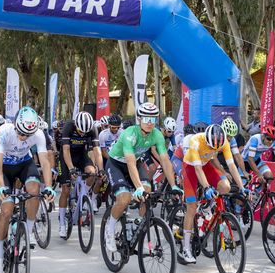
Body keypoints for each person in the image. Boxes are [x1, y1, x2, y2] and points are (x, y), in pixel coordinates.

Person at [104, 103, 182, 254]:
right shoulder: (129, 134)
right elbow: (131, 163)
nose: (149, 122)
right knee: (124, 198)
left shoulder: (157, 135)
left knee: (148, 193)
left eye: (153, 119)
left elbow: (165, 160)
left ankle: (140, 226)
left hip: (136, 163)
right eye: (146, 118)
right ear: (139, 119)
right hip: (117, 165)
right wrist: (137, 186)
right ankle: (110, 228)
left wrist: (173, 185)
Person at [0, 107, 56, 273]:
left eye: (27, 135)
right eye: (21, 133)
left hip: (24, 165)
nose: (23, 138)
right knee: (6, 210)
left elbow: (45, 161)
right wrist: (0, 187)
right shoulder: (3, 131)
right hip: (5, 168)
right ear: (15, 125)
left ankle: (28, 229)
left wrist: (48, 186)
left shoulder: (39, 134)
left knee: (34, 190)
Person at [179, 124, 246, 264]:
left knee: (225, 187)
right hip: (190, 167)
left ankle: (207, 207)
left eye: (216, 149)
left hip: (206, 165)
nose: (213, 150)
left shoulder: (224, 142)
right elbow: (197, 169)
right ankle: (185, 248)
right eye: (211, 147)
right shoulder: (196, 141)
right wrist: (207, 187)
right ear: (207, 140)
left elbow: (232, 165)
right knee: (191, 206)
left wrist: (242, 187)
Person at [58, 111, 103, 236]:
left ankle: (83, 196)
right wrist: (71, 168)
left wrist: (101, 169)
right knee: (65, 189)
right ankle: (62, 223)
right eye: (80, 131)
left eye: (85, 132)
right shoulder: (69, 126)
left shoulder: (92, 129)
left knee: (92, 173)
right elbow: (65, 150)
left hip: (81, 155)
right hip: (66, 156)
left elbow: (97, 151)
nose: (83, 133)